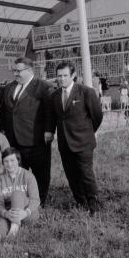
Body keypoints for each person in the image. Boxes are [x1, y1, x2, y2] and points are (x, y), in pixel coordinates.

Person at [46, 62, 103, 215]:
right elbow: (52, 117)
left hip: (83, 142)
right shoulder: (54, 96)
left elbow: (97, 116)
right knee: (71, 175)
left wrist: (88, 133)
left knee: (86, 174)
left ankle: (94, 206)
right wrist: (50, 131)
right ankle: (81, 203)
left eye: (65, 75)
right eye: (59, 76)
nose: (62, 79)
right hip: (64, 144)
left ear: (73, 76)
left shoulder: (86, 92)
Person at [0, 57, 53, 205]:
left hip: (36, 139)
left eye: (18, 71)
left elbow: (49, 111)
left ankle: (39, 202)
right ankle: (19, 201)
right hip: (13, 140)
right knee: (17, 173)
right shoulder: (9, 88)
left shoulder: (43, 87)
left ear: (29, 70)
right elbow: (4, 111)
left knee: (40, 173)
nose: (15, 73)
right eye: (14, 71)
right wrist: (2, 130)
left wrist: (49, 131)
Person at [0, 147, 41, 239]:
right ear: (3, 163)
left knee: (16, 193)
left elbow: (35, 199)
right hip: (9, 211)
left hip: (28, 213)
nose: (9, 164)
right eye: (6, 161)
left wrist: (25, 213)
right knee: (2, 220)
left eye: (12, 160)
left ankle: (14, 227)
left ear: (18, 160)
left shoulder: (28, 175)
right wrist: (5, 213)